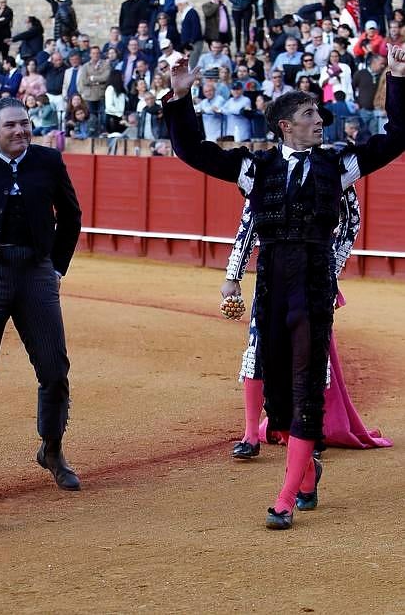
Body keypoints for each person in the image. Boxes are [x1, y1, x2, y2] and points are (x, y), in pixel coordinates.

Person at [163, 48, 405, 530]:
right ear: (284, 126)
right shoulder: (257, 168)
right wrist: (181, 97)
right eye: (310, 114)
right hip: (272, 284)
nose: (320, 121)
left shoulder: (339, 166)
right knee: (278, 390)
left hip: (314, 283)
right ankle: (307, 470)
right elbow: (192, 151)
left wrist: (398, 77)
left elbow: (398, 136)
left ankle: (285, 496)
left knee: (308, 383)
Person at [0, 97, 82, 496]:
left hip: (36, 272)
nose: (20, 131)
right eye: (10, 125)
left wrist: (56, 267)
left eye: (24, 123)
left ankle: (53, 449)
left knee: (55, 370)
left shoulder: (48, 160)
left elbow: (71, 215)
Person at [224, 189, 392, 460]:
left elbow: (352, 220)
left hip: (313, 277)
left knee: (312, 356)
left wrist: (331, 268)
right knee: (258, 350)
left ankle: (309, 433)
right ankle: (250, 435)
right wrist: (233, 276)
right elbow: (250, 221)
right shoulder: (270, 168)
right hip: (272, 274)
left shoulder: (332, 167)